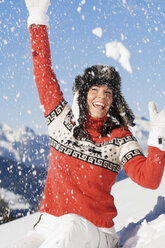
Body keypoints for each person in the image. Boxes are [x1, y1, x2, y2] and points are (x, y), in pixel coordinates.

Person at [12, 0, 165, 247]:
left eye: (108, 92)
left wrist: (159, 136)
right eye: (94, 89)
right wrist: (37, 16)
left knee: (71, 224)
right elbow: (43, 72)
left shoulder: (120, 137)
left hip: (96, 232)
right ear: (83, 93)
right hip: (48, 225)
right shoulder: (61, 120)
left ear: (115, 100)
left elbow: (149, 179)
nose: (101, 98)